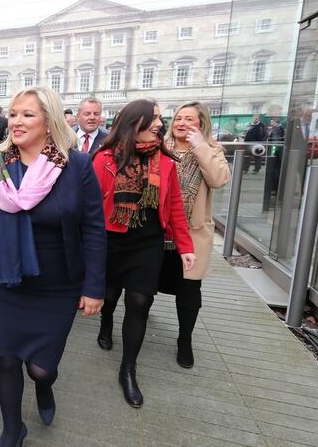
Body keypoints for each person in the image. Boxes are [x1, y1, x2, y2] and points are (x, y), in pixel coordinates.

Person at [0, 87, 106, 447]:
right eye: (13, 113)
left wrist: (95, 287)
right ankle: (12, 429)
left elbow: (93, 226)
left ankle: (45, 387)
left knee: (40, 368)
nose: (16, 121)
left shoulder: (75, 164)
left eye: (27, 114)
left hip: (58, 282)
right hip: (6, 276)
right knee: (4, 358)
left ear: (48, 121)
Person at [93, 99, 196, 408]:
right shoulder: (105, 159)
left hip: (148, 243)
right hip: (112, 240)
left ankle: (128, 369)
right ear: (133, 123)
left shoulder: (165, 161)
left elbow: (175, 205)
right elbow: (88, 208)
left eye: (159, 119)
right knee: (109, 295)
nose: (158, 125)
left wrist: (186, 247)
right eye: (153, 119)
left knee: (139, 301)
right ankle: (106, 322)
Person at [160, 102, 230, 368]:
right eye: (178, 118)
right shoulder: (160, 147)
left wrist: (200, 146)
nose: (181, 123)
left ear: (201, 124)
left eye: (189, 119)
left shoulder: (211, 150)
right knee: (147, 283)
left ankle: (184, 340)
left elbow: (219, 179)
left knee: (189, 290)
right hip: (158, 229)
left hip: (192, 232)